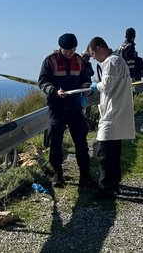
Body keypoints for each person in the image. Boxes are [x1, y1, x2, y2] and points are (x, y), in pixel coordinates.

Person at [38, 33, 97, 187]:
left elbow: (85, 80)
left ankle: (85, 175)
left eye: (73, 49)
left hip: (75, 107)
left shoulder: (79, 60)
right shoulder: (50, 61)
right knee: (55, 142)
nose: (71, 52)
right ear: (61, 48)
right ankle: (58, 176)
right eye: (68, 50)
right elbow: (43, 82)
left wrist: (86, 89)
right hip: (56, 107)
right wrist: (55, 91)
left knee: (81, 142)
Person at [86, 36, 136, 198]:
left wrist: (95, 85)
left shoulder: (110, 62)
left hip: (112, 112)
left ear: (99, 48)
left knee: (104, 152)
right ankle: (114, 183)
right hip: (118, 110)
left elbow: (106, 85)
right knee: (114, 151)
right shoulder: (119, 60)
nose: (94, 58)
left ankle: (105, 187)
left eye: (93, 54)